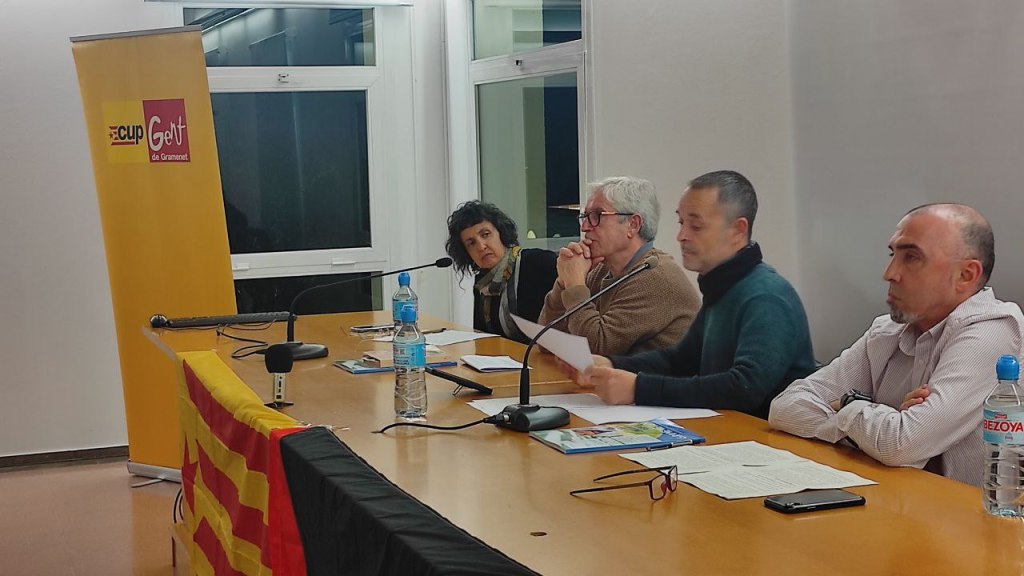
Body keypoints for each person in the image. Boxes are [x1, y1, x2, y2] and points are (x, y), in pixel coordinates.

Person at [769, 204, 1024, 486]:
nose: (889, 273)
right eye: (893, 255)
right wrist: (875, 419)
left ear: (965, 275)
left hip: (975, 510)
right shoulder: (887, 331)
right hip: (897, 497)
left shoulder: (993, 329)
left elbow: (900, 445)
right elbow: (785, 407)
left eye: (911, 257)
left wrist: (847, 406)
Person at [562, 170, 815, 419]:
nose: (681, 236)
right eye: (681, 223)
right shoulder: (723, 287)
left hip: (764, 439)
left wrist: (638, 388)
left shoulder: (766, 296)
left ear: (737, 230)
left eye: (696, 226)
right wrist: (612, 364)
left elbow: (744, 388)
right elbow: (680, 362)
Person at [537, 176, 699, 356]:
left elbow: (596, 348)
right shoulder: (599, 269)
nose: (584, 227)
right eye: (584, 217)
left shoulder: (655, 276)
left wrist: (575, 284)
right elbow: (546, 341)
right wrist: (564, 282)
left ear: (633, 225)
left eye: (597, 216)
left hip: (653, 375)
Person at [445, 200, 558, 344]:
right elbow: (483, 337)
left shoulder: (539, 262)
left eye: (485, 234)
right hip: (508, 357)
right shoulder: (483, 283)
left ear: (501, 233)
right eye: (471, 243)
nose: (481, 246)